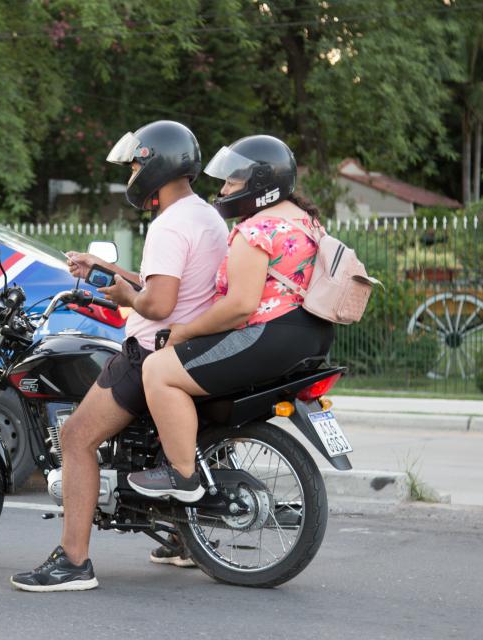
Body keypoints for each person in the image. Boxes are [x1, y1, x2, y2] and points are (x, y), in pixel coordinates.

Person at [10, 120, 229, 592]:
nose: (131, 173)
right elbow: (169, 279)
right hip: (191, 348)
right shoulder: (205, 215)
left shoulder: (169, 224)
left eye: (134, 164)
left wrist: (122, 296)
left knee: (75, 437)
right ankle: (181, 536)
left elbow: (158, 301)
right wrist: (110, 269)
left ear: (155, 164)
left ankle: (73, 561)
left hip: (150, 349)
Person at [128, 135, 336, 501]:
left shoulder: (256, 230)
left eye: (231, 182)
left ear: (259, 185)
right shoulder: (305, 221)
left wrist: (184, 331)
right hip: (311, 334)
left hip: (268, 335)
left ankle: (181, 474)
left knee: (159, 370)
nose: (222, 190)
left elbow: (240, 305)